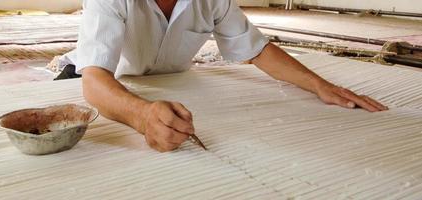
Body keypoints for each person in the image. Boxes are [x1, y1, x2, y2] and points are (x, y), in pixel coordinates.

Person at [55, 0, 388, 152]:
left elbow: (256, 49)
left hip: (169, 80)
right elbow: (94, 79)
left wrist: (322, 86)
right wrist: (142, 116)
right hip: (111, 81)